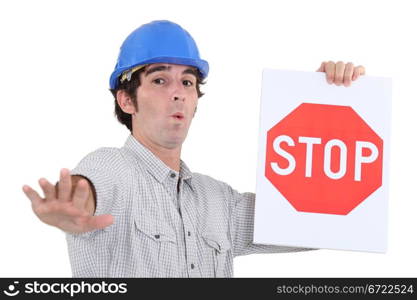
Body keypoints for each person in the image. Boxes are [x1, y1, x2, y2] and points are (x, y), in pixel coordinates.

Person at [22, 20, 365, 277]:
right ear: (126, 100)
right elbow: (89, 189)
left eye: (187, 81)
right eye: (159, 80)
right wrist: (71, 205)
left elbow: (320, 223)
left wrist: (327, 101)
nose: (178, 92)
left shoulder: (220, 203)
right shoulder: (113, 167)